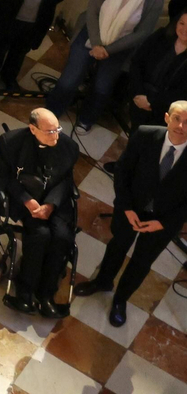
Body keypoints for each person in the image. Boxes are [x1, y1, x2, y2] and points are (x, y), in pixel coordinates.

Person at [73, 101, 187, 326]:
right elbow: (123, 172)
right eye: (177, 119)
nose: (181, 126)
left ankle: (120, 300)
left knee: (142, 261)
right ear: (166, 117)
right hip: (130, 208)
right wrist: (125, 207)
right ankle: (103, 281)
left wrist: (162, 223)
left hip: (162, 221)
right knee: (117, 246)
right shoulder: (145, 135)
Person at [47, 0, 164, 130]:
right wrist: (96, 43)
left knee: (102, 87)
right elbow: (92, 9)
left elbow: (142, 33)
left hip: (119, 47)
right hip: (92, 34)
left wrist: (108, 50)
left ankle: (86, 120)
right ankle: (51, 112)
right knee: (70, 79)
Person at [0, 108, 79, 316]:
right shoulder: (10, 142)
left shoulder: (69, 147)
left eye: (57, 129)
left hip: (55, 202)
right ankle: (25, 292)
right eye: (49, 131)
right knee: (39, 235)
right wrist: (27, 201)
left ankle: (46, 294)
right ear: (33, 129)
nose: (56, 135)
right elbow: (3, 177)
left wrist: (50, 205)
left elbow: (66, 180)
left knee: (62, 237)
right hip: (25, 200)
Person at [127, 15, 187, 129]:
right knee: (135, 133)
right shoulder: (161, 36)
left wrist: (152, 102)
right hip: (140, 94)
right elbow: (137, 62)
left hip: (166, 108)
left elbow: (183, 92)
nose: (184, 29)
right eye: (182, 23)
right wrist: (138, 92)